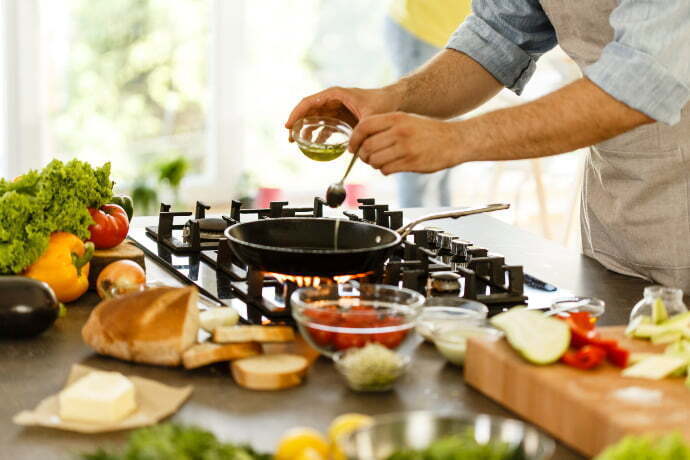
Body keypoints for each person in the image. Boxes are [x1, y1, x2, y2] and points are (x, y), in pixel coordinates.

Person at [285, 0, 690, 291]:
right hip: (623, 205)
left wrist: (457, 140)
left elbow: (643, 80)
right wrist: (392, 97)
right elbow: (497, 35)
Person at [385, 0, 471, 207]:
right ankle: (413, 233)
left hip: (464, 33)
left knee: (445, 146)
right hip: (424, 29)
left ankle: (445, 226)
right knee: (415, 144)